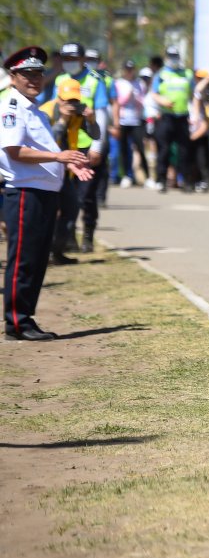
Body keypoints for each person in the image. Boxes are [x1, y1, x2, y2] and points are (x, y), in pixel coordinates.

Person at [0, 47, 92, 341]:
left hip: (43, 191)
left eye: (38, 73)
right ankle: (16, 322)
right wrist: (59, 158)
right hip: (26, 192)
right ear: (13, 76)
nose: (34, 79)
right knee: (24, 259)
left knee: (38, 259)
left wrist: (70, 163)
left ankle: (26, 319)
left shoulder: (34, 109)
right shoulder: (12, 108)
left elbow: (48, 150)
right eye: (27, 74)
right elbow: (15, 152)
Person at [48, 78, 100, 265]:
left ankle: (57, 251)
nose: (71, 105)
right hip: (45, 171)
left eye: (75, 100)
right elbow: (51, 142)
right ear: (59, 98)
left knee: (72, 208)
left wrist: (92, 120)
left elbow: (96, 135)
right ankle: (44, 252)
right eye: (67, 100)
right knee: (47, 214)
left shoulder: (78, 114)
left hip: (66, 172)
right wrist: (62, 119)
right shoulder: (46, 111)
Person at [150, 46, 194, 193]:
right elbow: (154, 94)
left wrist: (194, 114)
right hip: (166, 117)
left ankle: (186, 181)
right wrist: (162, 101)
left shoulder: (186, 74)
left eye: (175, 56)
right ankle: (161, 180)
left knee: (184, 150)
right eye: (171, 57)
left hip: (182, 116)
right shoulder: (161, 74)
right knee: (164, 150)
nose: (173, 59)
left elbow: (193, 95)